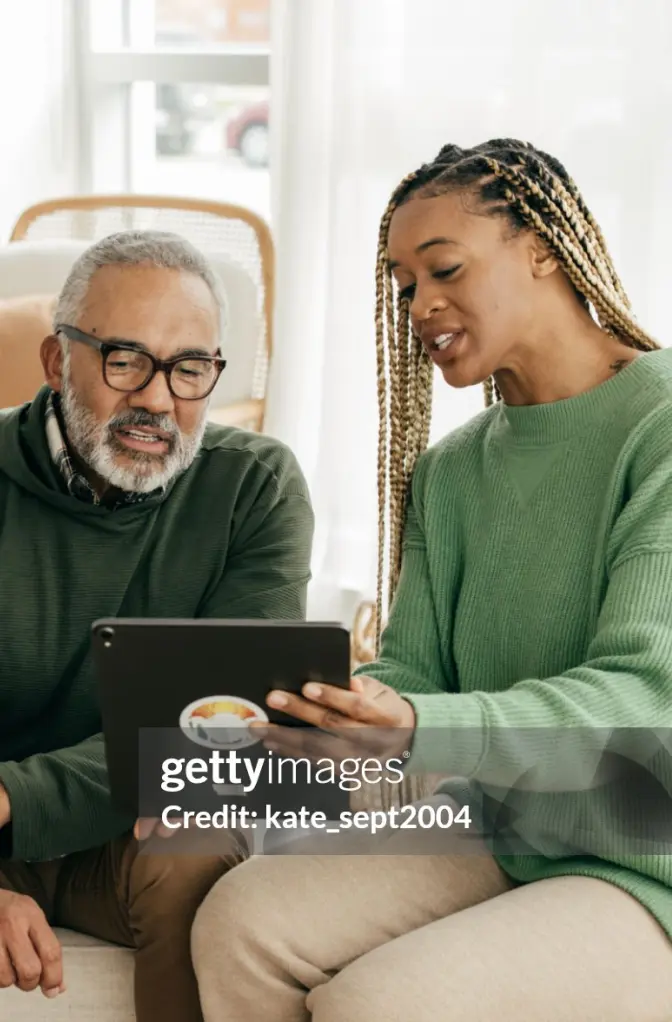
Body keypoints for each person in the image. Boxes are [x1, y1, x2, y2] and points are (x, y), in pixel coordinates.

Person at [190, 139, 672, 1021]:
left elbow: (644, 704)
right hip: (512, 825)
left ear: (542, 249)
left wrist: (417, 725)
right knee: (240, 920)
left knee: (382, 1001)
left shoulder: (661, 430)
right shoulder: (452, 472)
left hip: (651, 850)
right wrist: (323, 717)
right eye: (405, 284)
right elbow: (417, 675)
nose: (420, 305)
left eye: (444, 268)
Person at [0, 230, 314, 1021]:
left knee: (199, 836)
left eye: (190, 368)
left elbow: (225, 737)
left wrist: (11, 796)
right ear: (55, 361)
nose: (157, 398)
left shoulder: (255, 488)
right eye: (124, 358)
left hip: (123, 838)